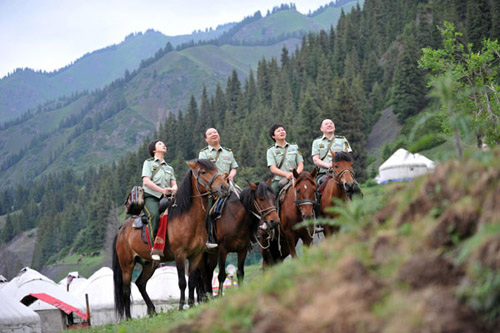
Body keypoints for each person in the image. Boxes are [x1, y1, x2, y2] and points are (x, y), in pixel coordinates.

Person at [198, 128, 238, 248]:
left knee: (245, 202)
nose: (214, 134)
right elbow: (203, 171)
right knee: (208, 210)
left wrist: (231, 175)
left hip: (228, 185)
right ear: (206, 139)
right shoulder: (203, 153)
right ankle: (208, 238)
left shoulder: (228, 152)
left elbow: (234, 167)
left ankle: (248, 235)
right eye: (210, 134)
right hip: (213, 188)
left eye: (215, 132)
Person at [142, 140, 177, 259]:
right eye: (160, 144)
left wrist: (174, 189)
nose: (164, 145)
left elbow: (174, 184)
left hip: (166, 198)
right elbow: (146, 182)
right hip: (150, 197)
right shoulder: (148, 163)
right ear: (154, 150)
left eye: (164, 143)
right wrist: (162, 190)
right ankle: (154, 249)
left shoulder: (169, 168)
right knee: (154, 215)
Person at [311, 119, 352, 185]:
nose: (329, 125)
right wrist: (328, 165)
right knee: (315, 189)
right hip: (324, 173)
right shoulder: (316, 142)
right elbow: (316, 159)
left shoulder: (342, 140)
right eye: (326, 124)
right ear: (321, 128)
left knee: (355, 188)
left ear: (334, 127)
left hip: (341, 172)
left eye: (331, 123)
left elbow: (348, 156)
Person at [266, 123, 304, 195]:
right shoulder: (270, 151)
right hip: (279, 179)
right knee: (271, 194)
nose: (282, 132)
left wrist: (295, 174)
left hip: (297, 177)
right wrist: (286, 174)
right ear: (273, 136)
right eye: (278, 131)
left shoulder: (295, 147)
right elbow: (273, 169)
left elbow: (300, 164)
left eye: (283, 130)